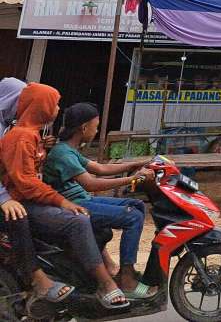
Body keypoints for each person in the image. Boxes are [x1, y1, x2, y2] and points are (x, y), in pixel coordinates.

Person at [0, 82, 130, 310]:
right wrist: (62, 201)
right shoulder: (20, 136)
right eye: (55, 103)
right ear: (42, 106)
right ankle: (106, 284)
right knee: (79, 221)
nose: (59, 108)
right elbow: (26, 182)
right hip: (21, 201)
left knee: (95, 222)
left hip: (29, 198)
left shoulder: (29, 135)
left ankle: (86, 276)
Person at [44, 102, 155, 299]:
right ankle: (127, 279)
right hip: (76, 205)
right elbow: (91, 184)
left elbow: (100, 168)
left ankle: (121, 270)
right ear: (84, 128)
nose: (96, 130)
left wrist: (140, 163)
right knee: (132, 217)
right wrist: (133, 179)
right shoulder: (62, 153)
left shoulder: (69, 150)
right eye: (95, 126)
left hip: (82, 199)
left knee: (137, 205)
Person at [0, 78, 77, 308]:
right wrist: (3, 198)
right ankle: (37, 279)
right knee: (18, 216)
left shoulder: (10, 126)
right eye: (22, 99)